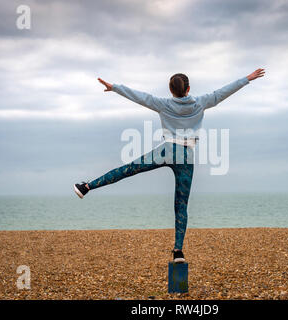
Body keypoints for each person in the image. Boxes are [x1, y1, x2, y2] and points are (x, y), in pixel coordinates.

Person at [74, 69, 265, 263]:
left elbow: (141, 97)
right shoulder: (201, 103)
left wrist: (115, 88)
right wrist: (246, 79)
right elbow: (222, 93)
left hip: (165, 151)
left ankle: (86, 187)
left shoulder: (164, 104)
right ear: (189, 88)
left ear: (170, 90)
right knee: (181, 205)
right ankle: (178, 252)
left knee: (127, 170)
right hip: (186, 157)